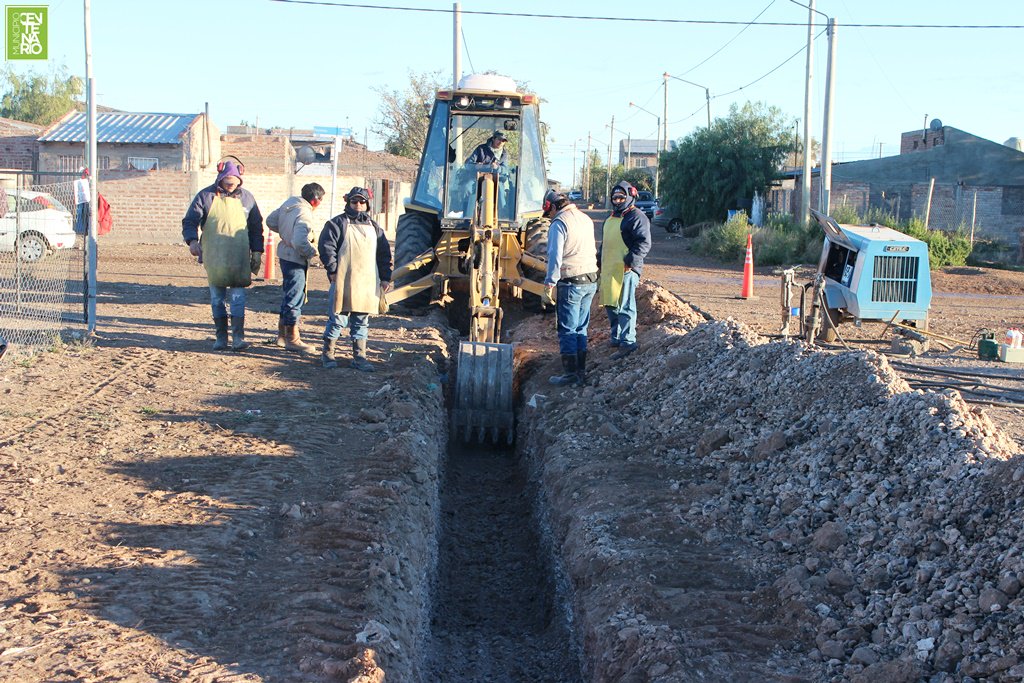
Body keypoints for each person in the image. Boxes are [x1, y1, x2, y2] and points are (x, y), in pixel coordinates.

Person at [182, 156, 264, 351]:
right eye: (226, 183)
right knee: (217, 298)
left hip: (239, 257)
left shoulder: (247, 198)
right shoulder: (205, 196)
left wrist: (258, 251)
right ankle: (221, 337)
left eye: (233, 184)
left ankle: (238, 338)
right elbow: (190, 221)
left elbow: (255, 227)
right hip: (215, 256)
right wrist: (192, 241)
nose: (230, 186)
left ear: (239, 181)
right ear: (220, 179)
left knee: (238, 299)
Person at [317, 187, 393, 372]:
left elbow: (383, 255)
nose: (358, 205)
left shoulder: (375, 228)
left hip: (366, 282)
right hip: (343, 279)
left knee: (361, 321)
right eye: (354, 202)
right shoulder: (336, 224)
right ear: (348, 202)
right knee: (337, 319)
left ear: (367, 204)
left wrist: (385, 278)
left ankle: (360, 357)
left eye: (362, 202)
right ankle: (328, 354)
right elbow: (327, 248)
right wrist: (333, 270)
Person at [542, 189, 599, 386]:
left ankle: (569, 374)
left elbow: (555, 257)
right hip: (590, 280)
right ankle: (580, 372)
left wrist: (549, 283)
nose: (549, 216)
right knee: (581, 327)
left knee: (567, 328)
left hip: (571, 281)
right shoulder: (585, 219)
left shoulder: (559, 223)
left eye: (549, 212)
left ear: (554, 206)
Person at [266, 182, 325, 354]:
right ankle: (293, 339)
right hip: (296, 259)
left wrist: (285, 235)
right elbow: (300, 242)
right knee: (295, 297)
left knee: (288, 294)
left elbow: (271, 221)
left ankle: (282, 336)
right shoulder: (305, 213)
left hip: (285, 255)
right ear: (315, 201)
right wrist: (312, 252)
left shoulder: (289, 204)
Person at [599, 181, 651, 359]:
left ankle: (628, 342)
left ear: (630, 196)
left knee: (625, 305)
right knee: (611, 304)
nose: (618, 200)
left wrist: (630, 261)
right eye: (615, 197)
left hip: (626, 270)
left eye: (621, 197)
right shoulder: (611, 217)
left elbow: (643, 243)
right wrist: (599, 261)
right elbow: (606, 242)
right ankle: (617, 337)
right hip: (609, 268)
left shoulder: (637, 217)